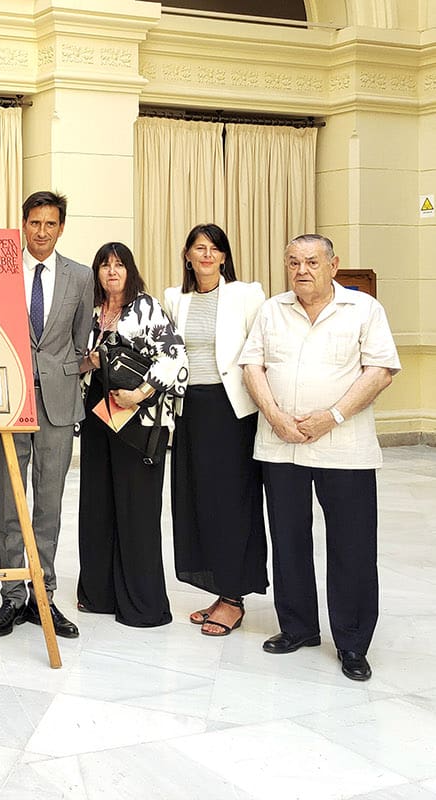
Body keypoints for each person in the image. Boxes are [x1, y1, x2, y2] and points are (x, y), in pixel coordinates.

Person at [239, 233, 399, 682]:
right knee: (288, 540)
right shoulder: (273, 310)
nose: (301, 270)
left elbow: (380, 371)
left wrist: (333, 416)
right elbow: (252, 366)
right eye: (293, 262)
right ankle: (298, 628)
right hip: (280, 443)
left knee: (351, 546)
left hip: (345, 447)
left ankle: (351, 642)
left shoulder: (364, 309)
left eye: (311, 261)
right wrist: (274, 415)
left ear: (333, 265)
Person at [0, 191, 94, 639]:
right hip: (7, 400)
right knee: (10, 502)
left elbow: (80, 335)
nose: (42, 232)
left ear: (62, 227)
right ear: (23, 224)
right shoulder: (1, 272)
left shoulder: (81, 277)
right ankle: (12, 596)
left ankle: (43, 595)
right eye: (35, 223)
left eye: (51, 224)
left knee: (48, 503)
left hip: (57, 401)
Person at [163, 224, 267, 637]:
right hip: (190, 412)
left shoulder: (246, 295)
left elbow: (262, 349)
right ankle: (221, 591)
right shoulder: (176, 300)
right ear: (187, 255)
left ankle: (234, 598)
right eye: (198, 248)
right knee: (198, 502)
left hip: (232, 412)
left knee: (231, 503)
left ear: (224, 256)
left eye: (214, 249)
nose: (206, 255)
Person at [75, 242, 187, 627]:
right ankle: (98, 594)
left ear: (130, 270)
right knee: (97, 503)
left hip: (136, 416)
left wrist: (141, 393)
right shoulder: (89, 310)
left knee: (136, 508)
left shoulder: (146, 307)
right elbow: (76, 361)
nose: (111, 272)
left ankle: (142, 604)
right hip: (96, 414)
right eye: (104, 265)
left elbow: (175, 357)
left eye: (119, 265)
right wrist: (88, 360)